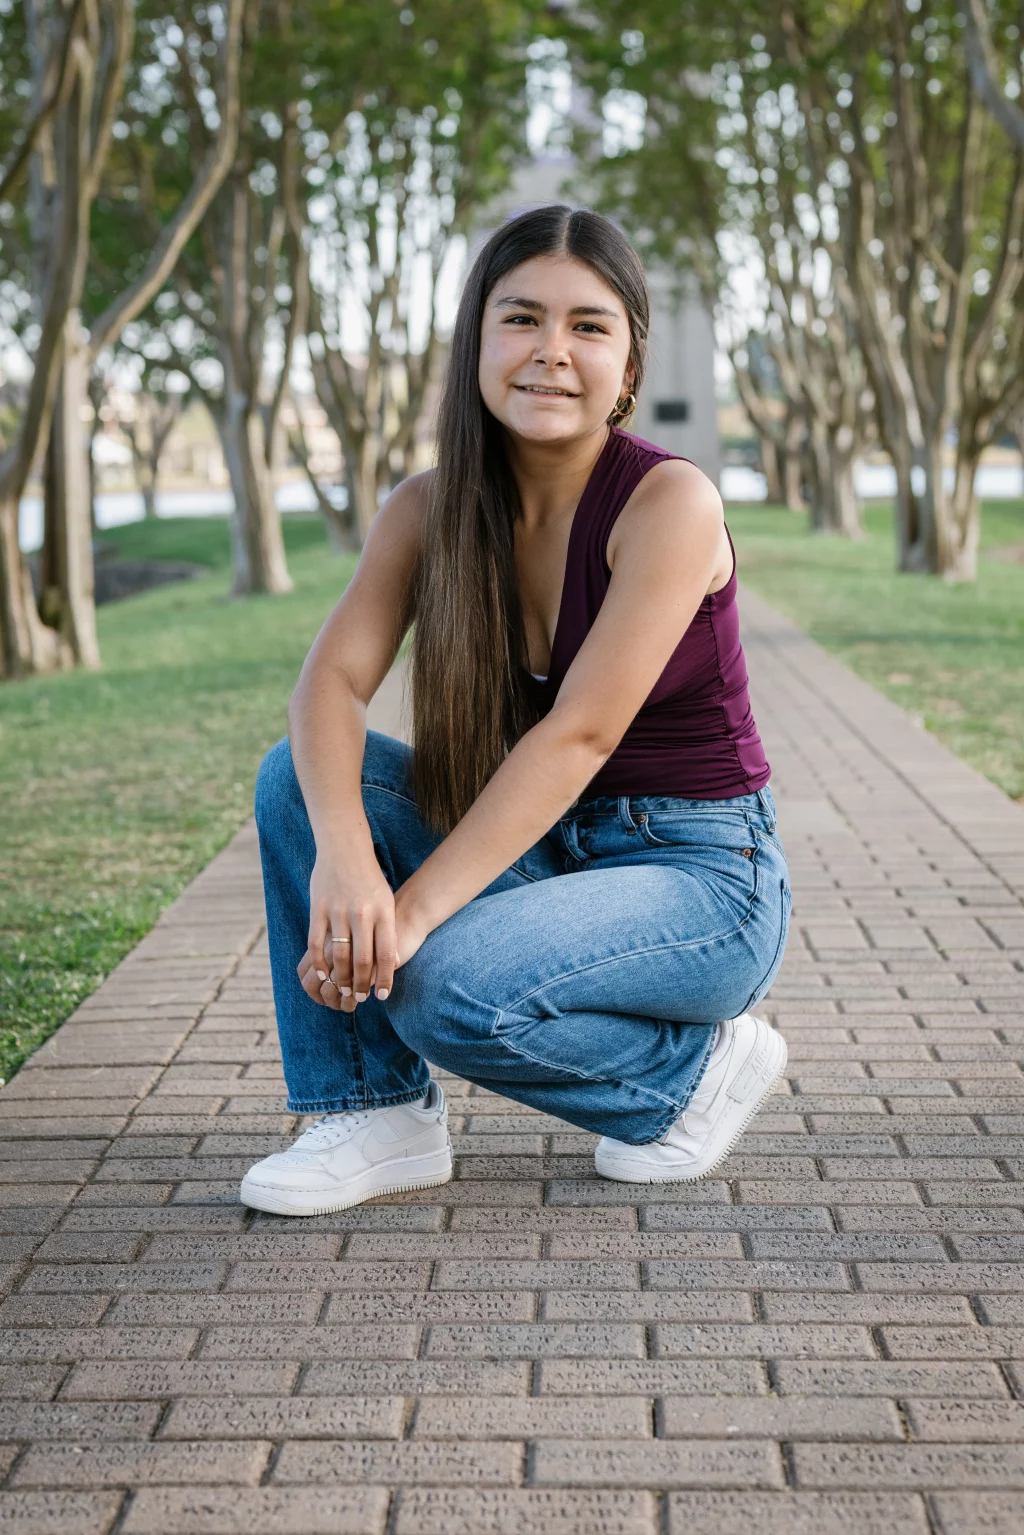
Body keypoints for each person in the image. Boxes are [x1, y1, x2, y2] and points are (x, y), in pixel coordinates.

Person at [240, 204, 791, 1218]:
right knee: (302, 775)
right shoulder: (428, 508)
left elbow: (577, 735)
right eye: (521, 318)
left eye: (588, 326)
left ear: (627, 365)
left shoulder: (669, 505)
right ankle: (375, 1111)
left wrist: (399, 921)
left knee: (442, 982)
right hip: (549, 854)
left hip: (700, 877)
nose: (550, 351)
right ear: (476, 343)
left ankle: (691, 1074)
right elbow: (329, 684)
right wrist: (347, 857)